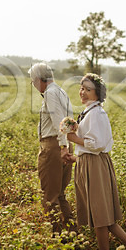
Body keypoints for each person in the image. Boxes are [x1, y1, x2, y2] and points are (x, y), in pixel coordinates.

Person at [64, 73, 126, 250]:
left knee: (100, 218)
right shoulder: (89, 112)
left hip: (95, 166)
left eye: (87, 89)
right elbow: (91, 145)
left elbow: (96, 144)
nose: (82, 92)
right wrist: (76, 157)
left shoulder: (97, 114)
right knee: (101, 216)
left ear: (97, 94)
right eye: (82, 88)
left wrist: (73, 138)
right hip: (89, 163)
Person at [29, 62, 75, 234]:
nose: (34, 86)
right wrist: (67, 146)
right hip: (64, 144)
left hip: (54, 146)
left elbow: (59, 122)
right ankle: (72, 235)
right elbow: (68, 121)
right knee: (60, 194)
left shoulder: (50, 93)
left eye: (33, 82)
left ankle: (57, 238)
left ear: (40, 79)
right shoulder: (61, 91)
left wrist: (63, 146)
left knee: (50, 197)